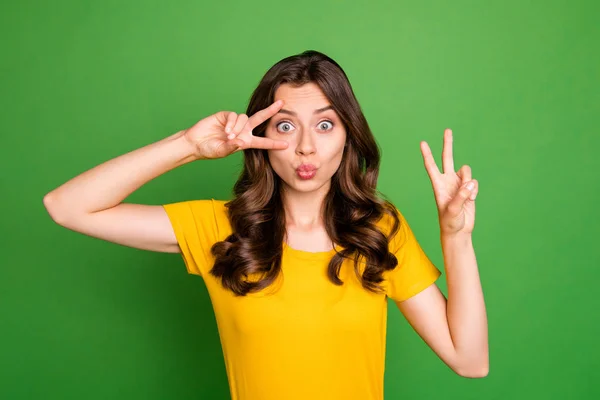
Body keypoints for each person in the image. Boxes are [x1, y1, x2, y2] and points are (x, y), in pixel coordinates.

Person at [43, 50, 488, 400]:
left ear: (348, 135)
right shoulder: (219, 229)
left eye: (326, 124)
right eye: (286, 126)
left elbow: (470, 360)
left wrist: (456, 237)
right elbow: (67, 207)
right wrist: (189, 145)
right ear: (261, 138)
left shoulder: (379, 231)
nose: (306, 148)